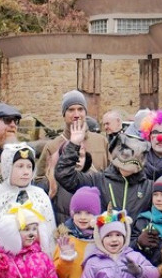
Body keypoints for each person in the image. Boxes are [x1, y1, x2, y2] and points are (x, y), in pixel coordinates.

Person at [36, 90, 110, 222]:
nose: (76, 114)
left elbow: (110, 175)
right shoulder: (52, 146)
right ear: (64, 114)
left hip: (96, 214)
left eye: (80, 109)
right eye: (71, 110)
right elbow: (39, 181)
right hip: (64, 215)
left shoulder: (101, 141)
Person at [57, 118, 152, 219]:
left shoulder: (148, 188)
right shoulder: (97, 181)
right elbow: (64, 175)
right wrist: (74, 144)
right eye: (125, 151)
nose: (130, 156)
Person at [0, 142, 56, 246]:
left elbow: (50, 235)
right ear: (8, 168)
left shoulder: (40, 196)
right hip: (3, 258)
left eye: (29, 167)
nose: (26, 172)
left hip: (35, 259)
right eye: (20, 166)